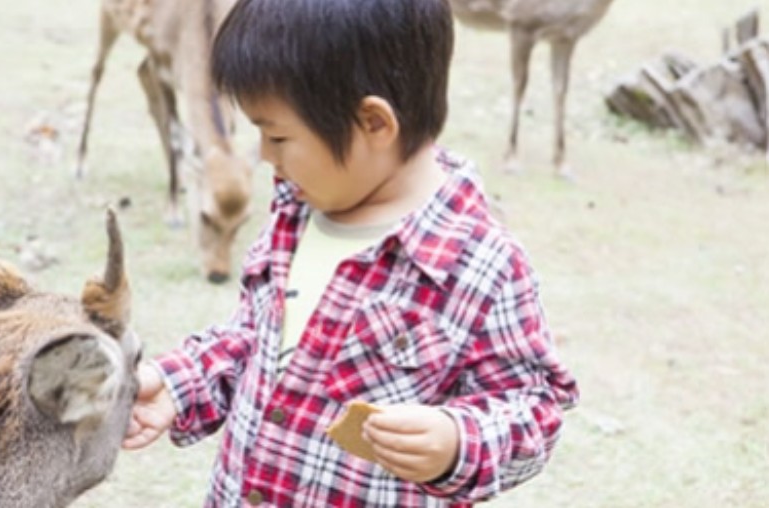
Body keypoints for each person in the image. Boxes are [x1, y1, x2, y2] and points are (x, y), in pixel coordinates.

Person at [122, 0, 579, 506]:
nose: (266, 158)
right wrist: (177, 384)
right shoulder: (295, 214)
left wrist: (457, 442)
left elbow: (534, 408)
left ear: (374, 124)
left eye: (277, 136)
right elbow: (253, 340)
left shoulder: (482, 267)